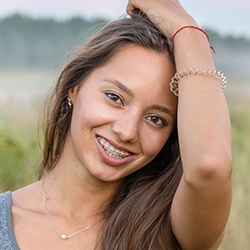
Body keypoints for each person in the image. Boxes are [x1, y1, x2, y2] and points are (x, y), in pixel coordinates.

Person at [0, 0, 232, 249]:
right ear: (74, 88)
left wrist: (188, 31)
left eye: (156, 119)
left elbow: (210, 167)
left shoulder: (166, 231)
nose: (127, 131)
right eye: (115, 97)